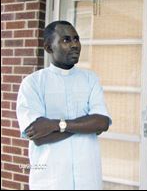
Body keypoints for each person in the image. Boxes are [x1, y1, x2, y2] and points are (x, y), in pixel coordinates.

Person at [16, 21, 111, 190]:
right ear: (48, 47)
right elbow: (38, 135)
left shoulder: (90, 79)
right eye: (66, 40)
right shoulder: (33, 83)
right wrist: (85, 125)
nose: (75, 45)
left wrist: (55, 125)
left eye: (76, 39)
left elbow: (101, 122)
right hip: (51, 181)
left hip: (88, 179)